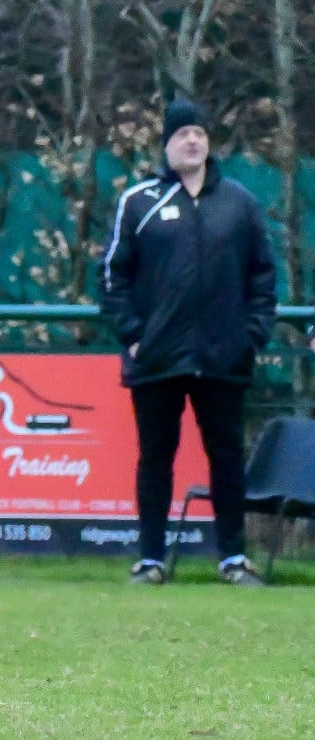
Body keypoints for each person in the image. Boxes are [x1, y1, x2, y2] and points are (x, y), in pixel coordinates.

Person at [100, 94, 277, 586]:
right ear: (167, 145)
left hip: (224, 357)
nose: (193, 141)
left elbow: (264, 276)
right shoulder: (138, 202)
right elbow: (112, 277)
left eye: (199, 132)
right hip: (157, 358)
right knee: (156, 459)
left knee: (227, 458)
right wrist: (135, 337)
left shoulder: (239, 203)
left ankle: (233, 559)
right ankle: (151, 560)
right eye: (182, 134)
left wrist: (250, 336)